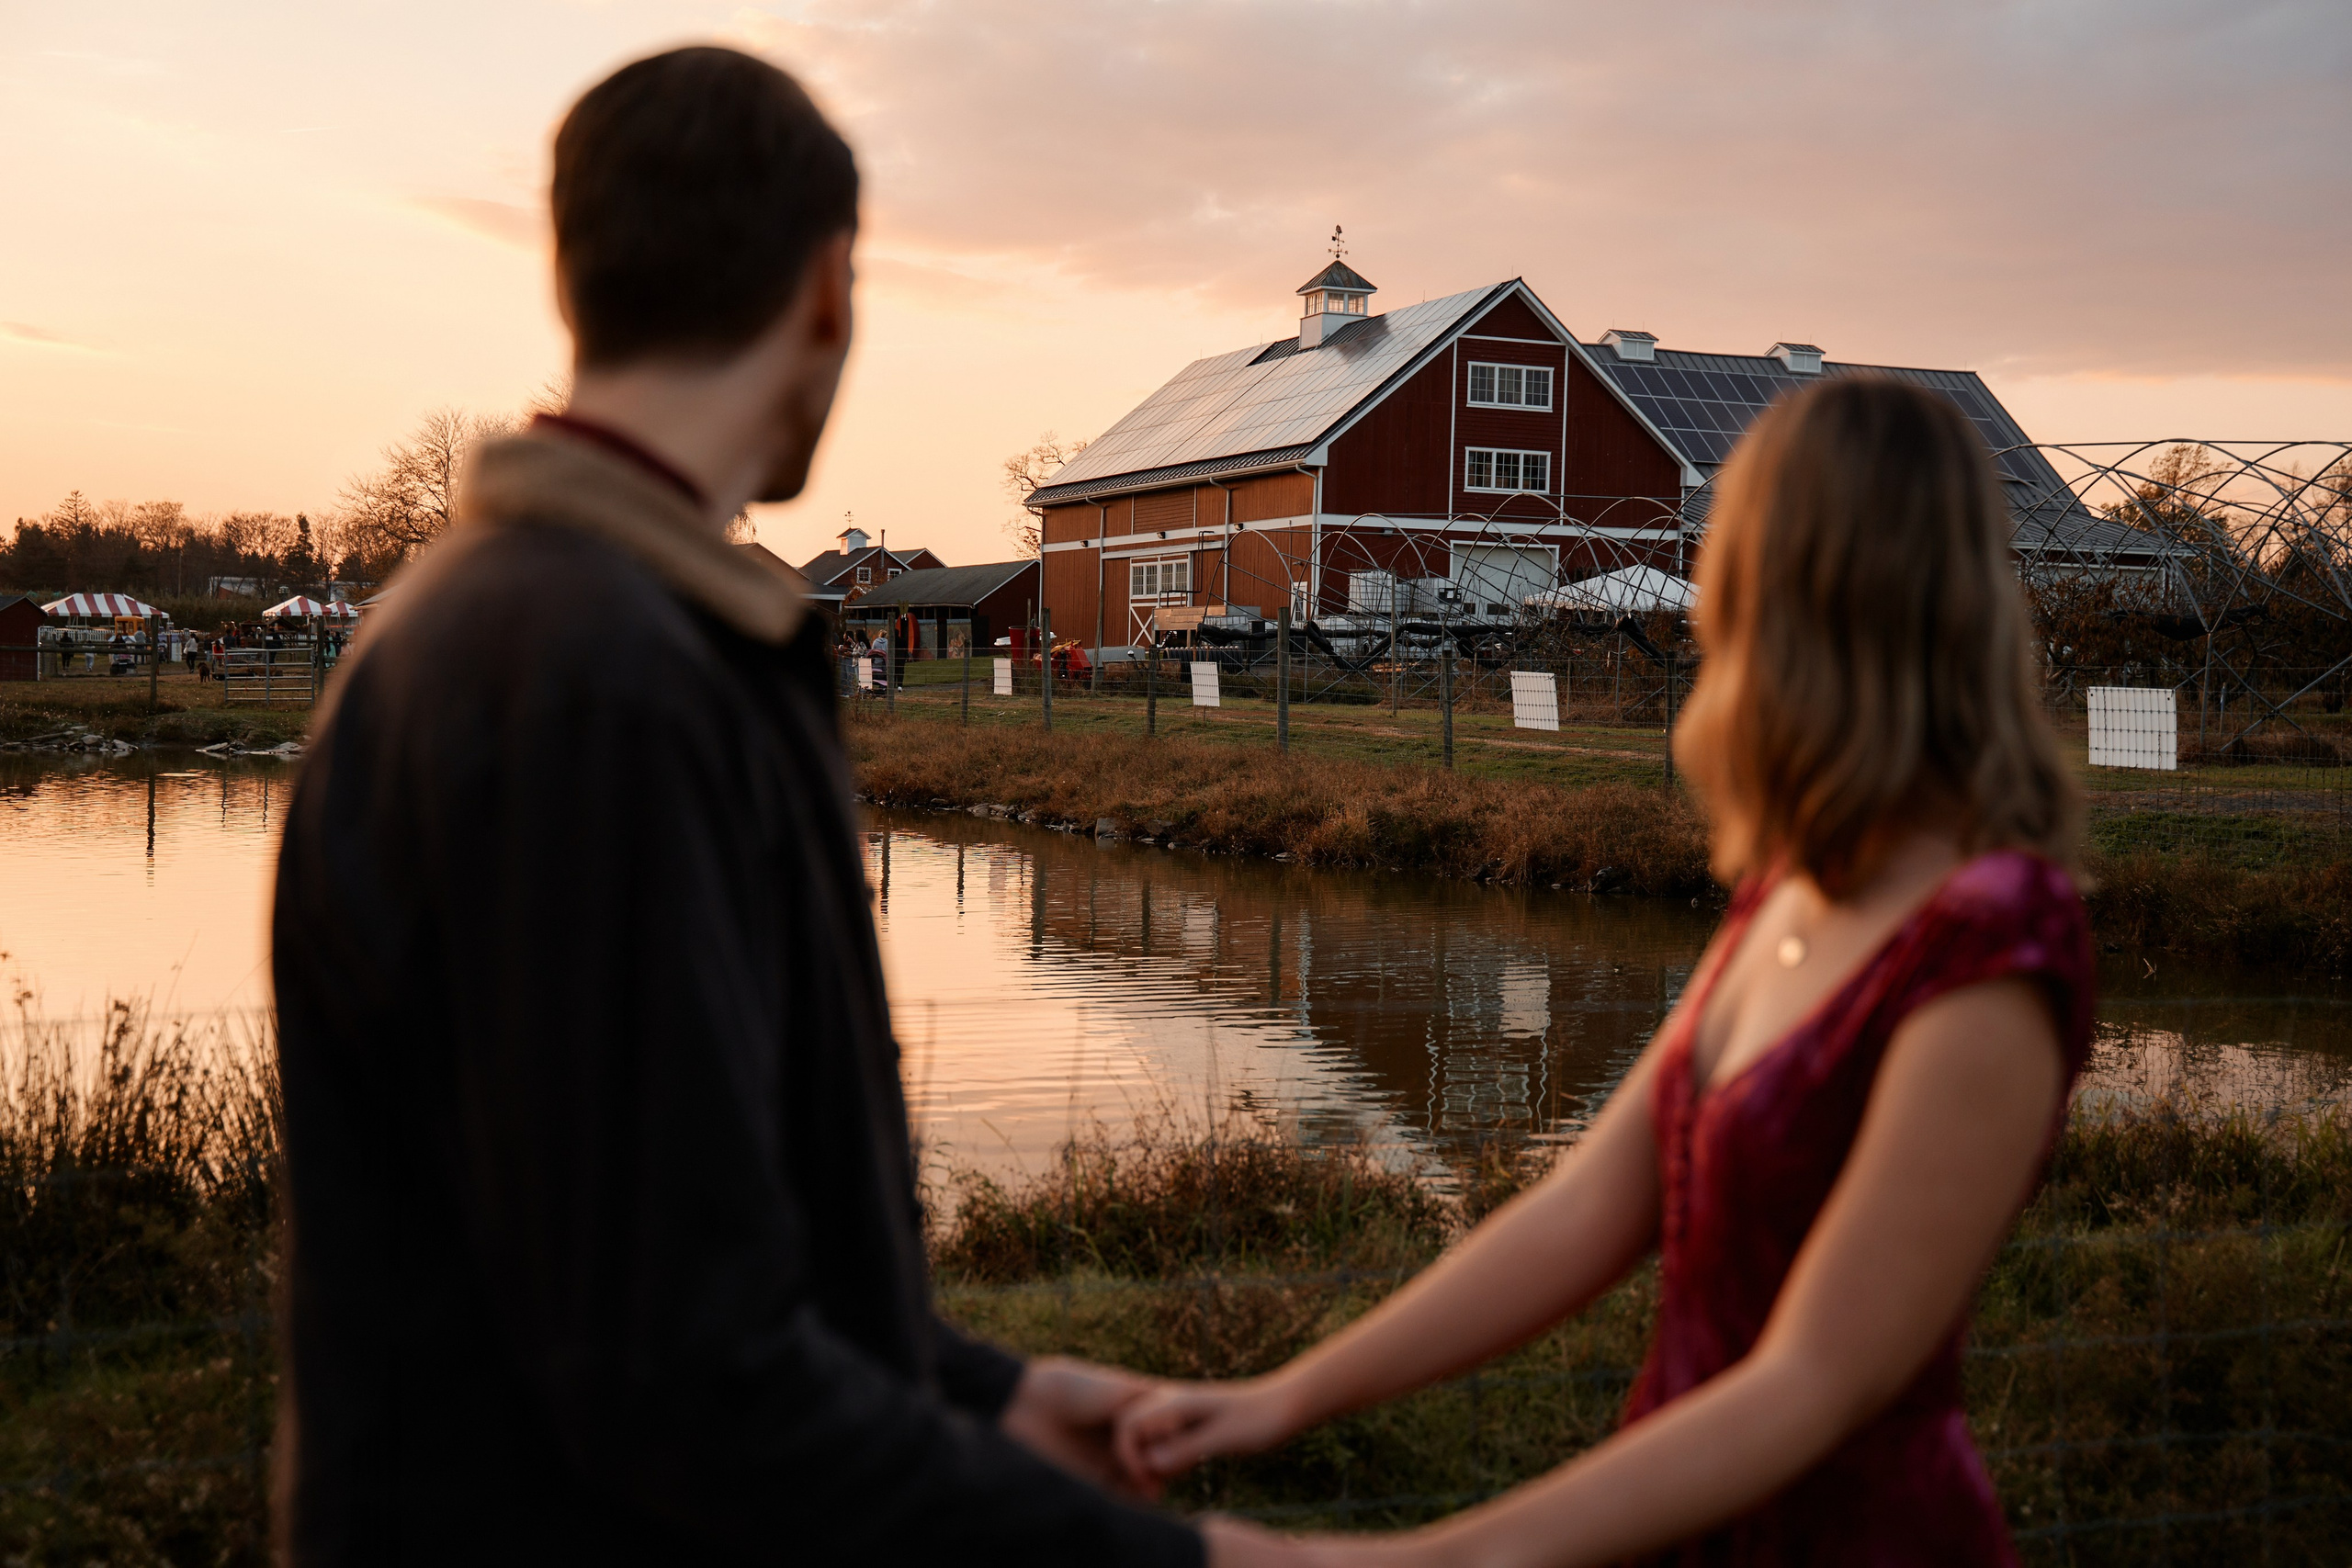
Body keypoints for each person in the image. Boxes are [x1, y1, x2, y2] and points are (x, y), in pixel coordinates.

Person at [272, 47, 1201, 1567]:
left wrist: (986, 1392)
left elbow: (669, 1237)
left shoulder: (524, 625)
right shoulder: (603, 682)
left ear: (578, 282)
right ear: (830, 287)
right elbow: (681, 1376)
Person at [1115, 377, 2092, 1567]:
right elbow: (1590, 1208)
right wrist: (1289, 1397)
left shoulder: (1988, 951)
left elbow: (1812, 1384)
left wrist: (1406, 1562)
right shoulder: (1791, 888)